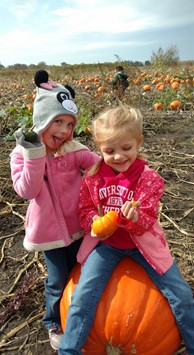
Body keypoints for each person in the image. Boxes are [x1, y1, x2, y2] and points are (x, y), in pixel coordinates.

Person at [59, 105, 194, 355]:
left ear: (138, 142)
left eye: (126, 148)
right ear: (99, 149)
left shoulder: (149, 179)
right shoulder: (92, 178)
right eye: (109, 151)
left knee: (180, 293)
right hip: (107, 246)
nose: (118, 156)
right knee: (82, 296)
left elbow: (147, 220)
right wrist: (96, 223)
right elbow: (85, 210)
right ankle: (68, 350)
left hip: (142, 244)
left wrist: (133, 219)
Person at [10, 70, 99, 351]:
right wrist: (34, 154)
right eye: (57, 121)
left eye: (69, 124)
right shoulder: (21, 154)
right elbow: (27, 191)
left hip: (79, 226)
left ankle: (79, 311)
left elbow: (99, 165)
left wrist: (124, 172)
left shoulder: (73, 150)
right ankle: (53, 321)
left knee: (81, 271)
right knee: (58, 279)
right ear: (41, 121)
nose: (63, 130)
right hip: (49, 232)